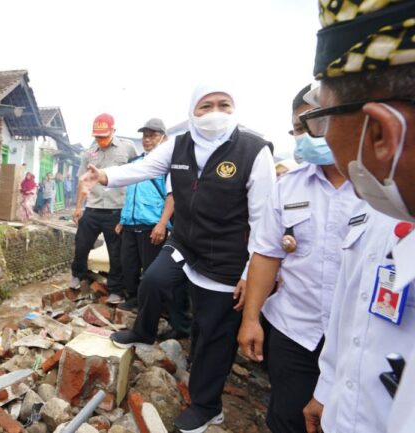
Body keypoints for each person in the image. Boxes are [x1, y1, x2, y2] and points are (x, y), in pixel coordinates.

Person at [80, 85, 275, 433]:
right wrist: (104, 176)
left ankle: (207, 406)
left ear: (235, 109)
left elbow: (264, 223)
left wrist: (250, 272)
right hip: (185, 242)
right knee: (154, 280)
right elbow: (144, 167)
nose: (215, 111)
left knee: (212, 335)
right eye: (206, 105)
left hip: (227, 257)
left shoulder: (253, 151)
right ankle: (143, 331)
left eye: (223, 104)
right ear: (192, 111)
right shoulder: (179, 144)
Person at [297, 2, 415, 433]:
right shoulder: (386, 207)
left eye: (320, 122)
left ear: (381, 131)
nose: (324, 142)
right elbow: (356, 318)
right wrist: (330, 390)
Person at [236, 85, 364, 433]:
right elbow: (266, 254)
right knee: (288, 418)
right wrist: (251, 320)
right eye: (299, 126)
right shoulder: (288, 186)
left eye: (317, 122)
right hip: (296, 329)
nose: (308, 134)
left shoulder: (380, 189)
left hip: (361, 336)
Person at [71, 113, 137, 300]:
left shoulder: (128, 148)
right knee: (81, 245)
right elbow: (82, 183)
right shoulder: (89, 153)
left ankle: (115, 290)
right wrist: (78, 208)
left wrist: (129, 211)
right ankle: (78, 274)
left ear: (113, 131)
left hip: (117, 209)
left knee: (116, 252)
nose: (100, 140)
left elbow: (136, 177)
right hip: (92, 208)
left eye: (104, 136)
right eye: (97, 137)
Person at [115, 118, 176, 317]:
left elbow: (172, 196)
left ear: (164, 138)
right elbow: (130, 195)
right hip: (130, 224)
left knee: (152, 270)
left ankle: (155, 307)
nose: (147, 140)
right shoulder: (135, 163)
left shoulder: (169, 165)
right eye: (145, 136)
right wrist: (122, 220)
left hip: (152, 225)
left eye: (153, 136)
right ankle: (133, 297)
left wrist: (162, 223)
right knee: (129, 265)